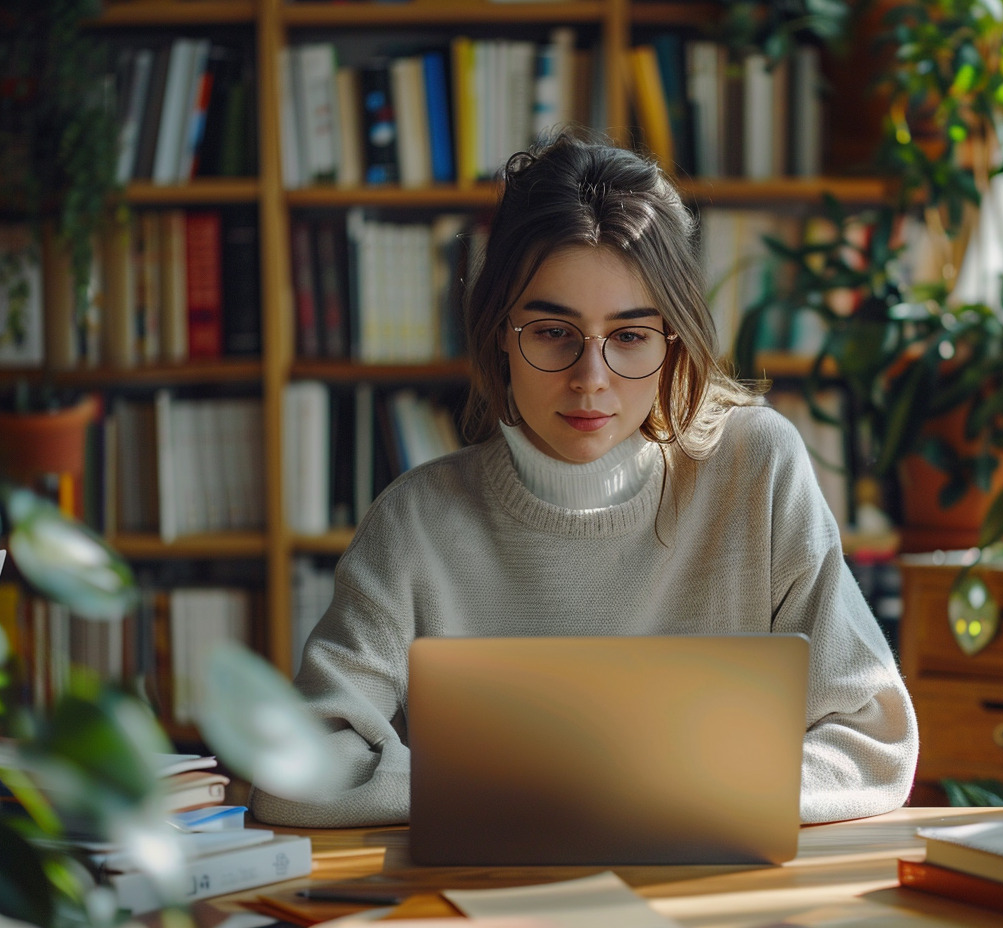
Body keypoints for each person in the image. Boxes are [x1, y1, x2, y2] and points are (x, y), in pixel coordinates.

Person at [250, 130, 918, 828]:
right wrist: (552, 787)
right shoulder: (418, 520)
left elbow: (872, 744)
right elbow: (296, 771)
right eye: (552, 332)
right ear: (501, 333)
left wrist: (641, 791)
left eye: (630, 336)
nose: (590, 381)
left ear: (674, 341)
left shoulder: (758, 468)